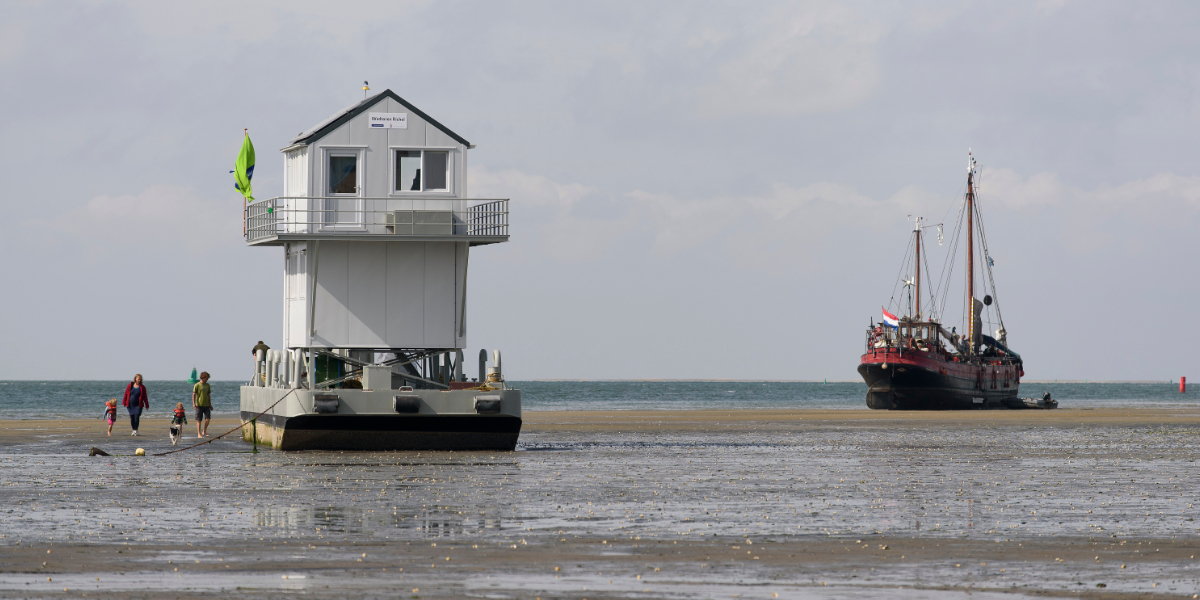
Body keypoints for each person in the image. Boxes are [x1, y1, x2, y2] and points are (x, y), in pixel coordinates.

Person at [192, 371, 212, 438]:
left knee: (208, 418)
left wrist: (210, 404)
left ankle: (204, 431)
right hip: (199, 405)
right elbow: (194, 395)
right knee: (199, 420)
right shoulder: (197, 385)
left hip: (206, 405)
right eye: (206, 378)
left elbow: (208, 395)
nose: (207, 379)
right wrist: (194, 404)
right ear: (203, 377)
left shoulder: (207, 385)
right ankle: (199, 433)